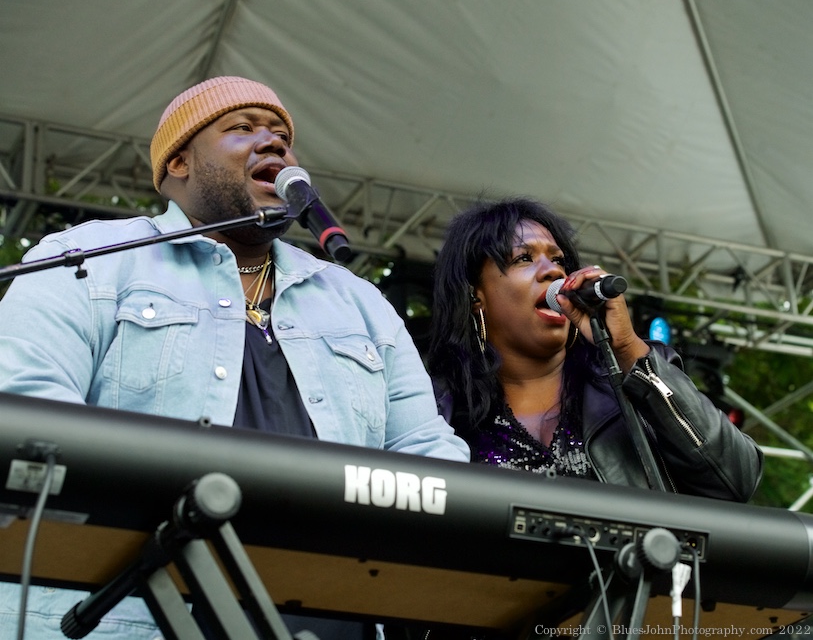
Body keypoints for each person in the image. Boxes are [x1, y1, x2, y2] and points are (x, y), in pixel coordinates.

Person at [0, 76, 470, 638]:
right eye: (242, 128)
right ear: (179, 162)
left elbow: (426, 452)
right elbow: (26, 406)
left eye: (282, 138)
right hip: (137, 608)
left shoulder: (359, 302)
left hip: (334, 613)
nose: (273, 144)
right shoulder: (90, 259)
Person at [427, 196, 762, 500]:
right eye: (524, 258)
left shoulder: (633, 377)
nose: (553, 271)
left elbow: (738, 479)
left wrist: (627, 350)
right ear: (475, 295)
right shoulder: (438, 409)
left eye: (558, 260)